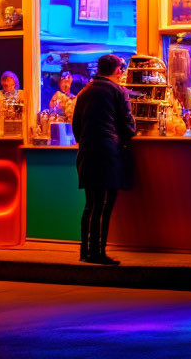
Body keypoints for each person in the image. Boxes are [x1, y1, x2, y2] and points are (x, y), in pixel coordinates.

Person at [71, 54, 136, 265]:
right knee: (105, 205)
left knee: (91, 204)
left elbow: (76, 126)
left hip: (87, 152)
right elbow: (128, 128)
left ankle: (85, 251)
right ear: (117, 70)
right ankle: (98, 252)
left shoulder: (84, 91)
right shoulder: (119, 91)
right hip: (108, 153)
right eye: (121, 68)